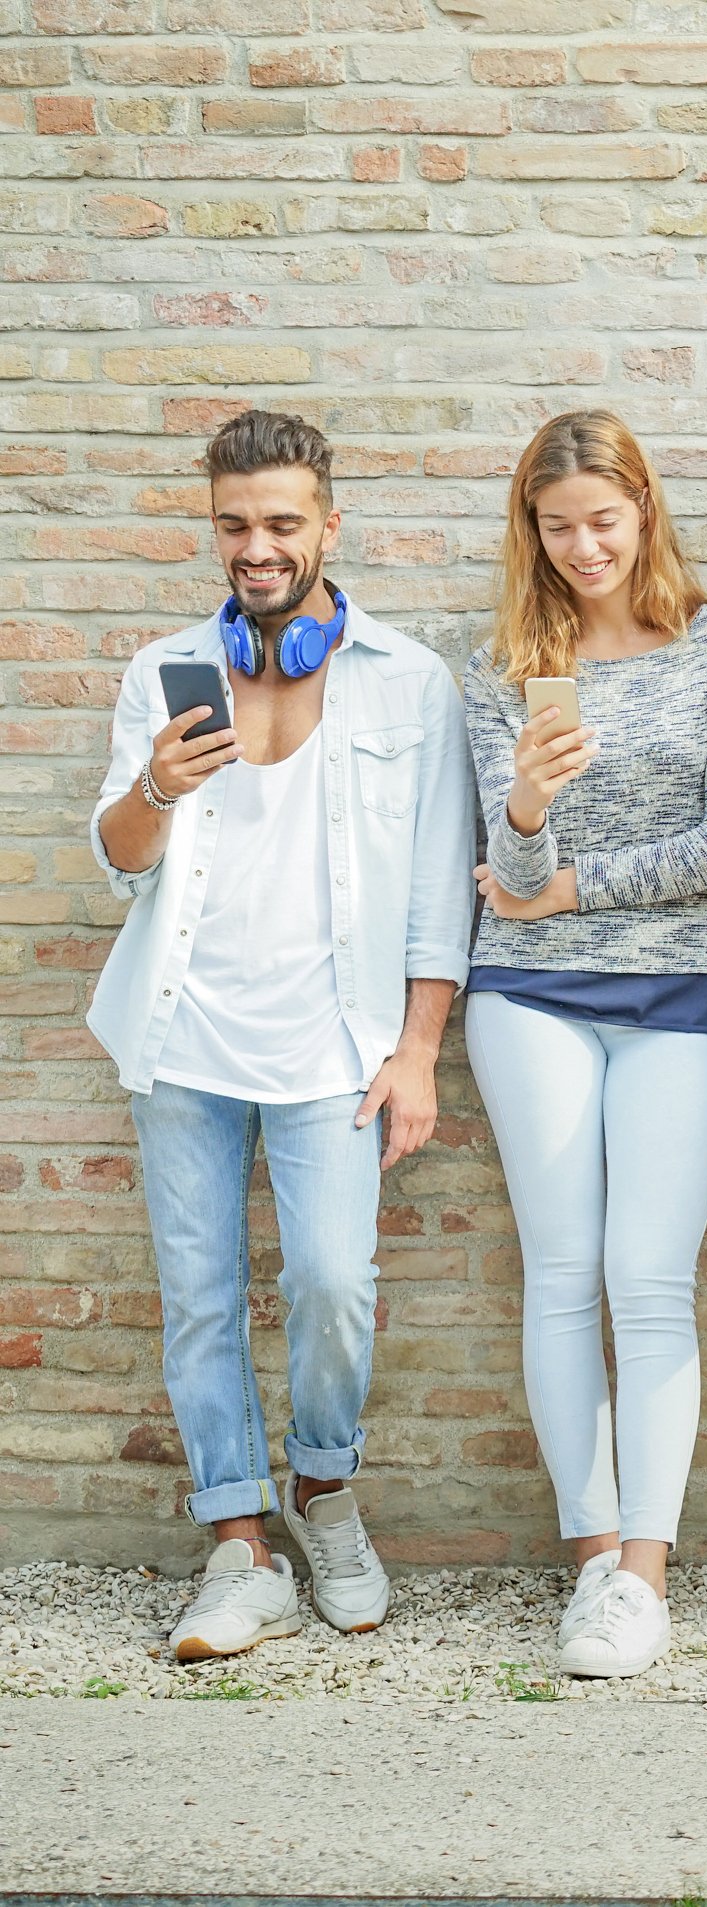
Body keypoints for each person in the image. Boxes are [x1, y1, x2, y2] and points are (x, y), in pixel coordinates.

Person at [87, 410, 472, 1660]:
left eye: (282, 523)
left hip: (334, 1046)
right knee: (200, 1299)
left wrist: (417, 1049)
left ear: (328, 527)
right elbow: (117, 864)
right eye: (236, 524)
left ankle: (323, 1486)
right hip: (183, 1034)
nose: (258, 546)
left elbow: (434, 888)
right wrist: (155, 787)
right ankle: (239, 1543)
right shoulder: (164, 672)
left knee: (332, 1284)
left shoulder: (408, 680)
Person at [462, 411, 707, 1679]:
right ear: (529, 533)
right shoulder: (497, 663)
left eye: (604, 517)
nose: (583, 545)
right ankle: (592, 1558)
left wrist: (571, 881)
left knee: (648, 1278)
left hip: (682, 993)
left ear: (644, 508)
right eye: (557, 524)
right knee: (561, 1268)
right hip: (527, 996)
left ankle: (645, 1570)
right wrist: (528, 801)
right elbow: (503, 876)